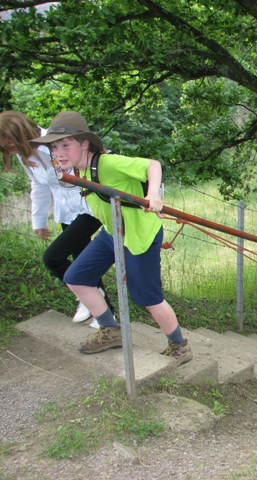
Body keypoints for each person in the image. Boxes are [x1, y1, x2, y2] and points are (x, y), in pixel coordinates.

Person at [29, 111, 192, 365]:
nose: (58, 152)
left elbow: (152, 165)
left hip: (139, 235)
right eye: (54, 146)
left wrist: (153, 196)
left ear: (84, 144)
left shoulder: (107, 163)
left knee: (146, 297)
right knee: (76, 277)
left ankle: (179, 345)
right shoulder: (79, 172)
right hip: (112, 232)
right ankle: (111, 331)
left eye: (65, 145)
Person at [0, 110, 112, 324]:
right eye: (4, 146)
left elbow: (90, 163)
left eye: (10, 141)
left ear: (21, 132)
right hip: (67, 209)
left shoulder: (56, 142)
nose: (9, 147)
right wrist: (38, 221)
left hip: (88, 205)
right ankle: (104, 314)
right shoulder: (25, 155)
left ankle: (90, 298)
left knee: (53, 258)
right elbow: (39, 185)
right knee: (82, 261)